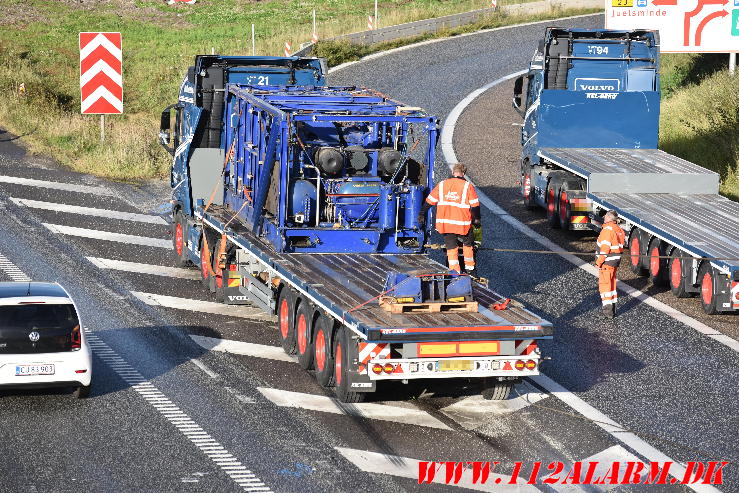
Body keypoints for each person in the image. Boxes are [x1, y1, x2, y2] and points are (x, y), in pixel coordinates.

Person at [419, 163, 481, 276]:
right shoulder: (467, 186)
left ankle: (454, 272)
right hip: (462, 225)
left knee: (451, 247)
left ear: (453, 172)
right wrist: (477, 219)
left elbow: (429, 201)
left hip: (446, 224)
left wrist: (422, 213)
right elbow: (475, 206)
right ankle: (470, 270)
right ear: (464, 174)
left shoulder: (442, 184)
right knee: (468, 244)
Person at [595, 210, 625, 319]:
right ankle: (612, 310)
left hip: (607, 262)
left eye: (605, 216)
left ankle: (607, 312)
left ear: (608, 218)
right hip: (614, 262)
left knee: (605, 286)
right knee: (612, 286)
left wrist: (598, 262)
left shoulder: (607, 230)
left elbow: (605, 249)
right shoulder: (619, 229)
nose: (603, 218)